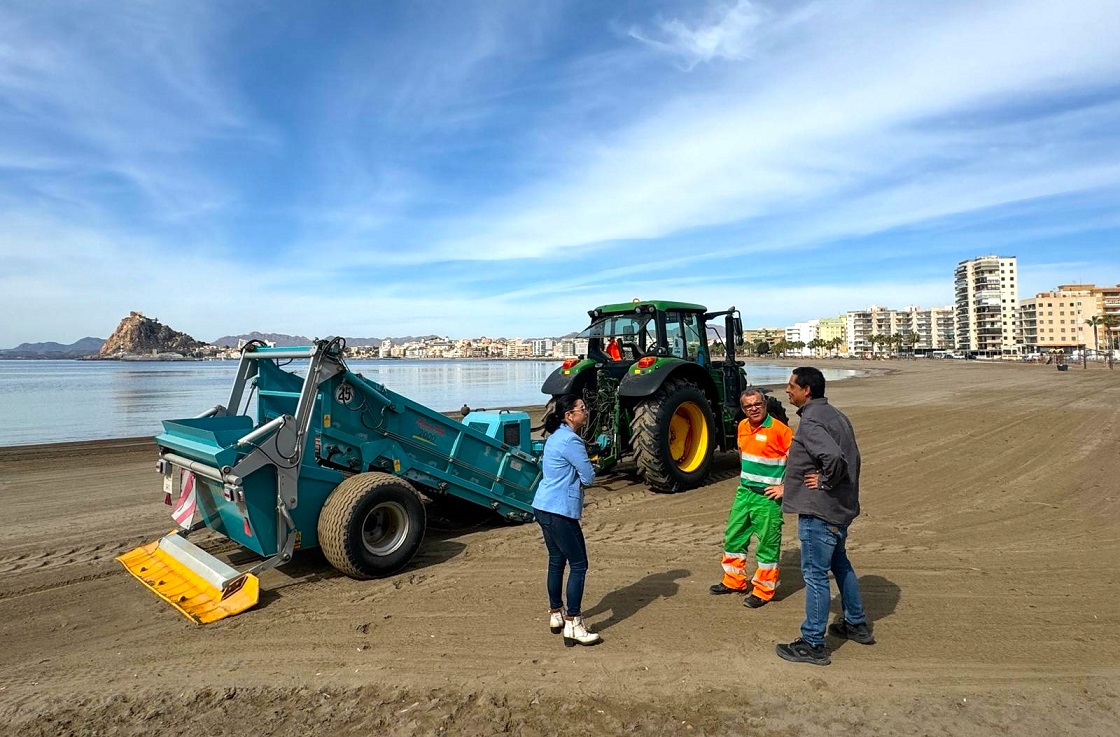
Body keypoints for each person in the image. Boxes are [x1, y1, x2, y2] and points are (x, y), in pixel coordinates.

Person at [775, 367, 875, 666]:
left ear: (807, 390)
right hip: (838, 507)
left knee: (815, 575)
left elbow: (833, 457)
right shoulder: (835, 415)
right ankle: (855, 623)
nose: (787, 390)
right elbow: (851, 457)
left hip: (821, 510)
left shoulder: (813, 421)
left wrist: (825, 481)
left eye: (792, 386)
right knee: (840, 564)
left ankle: (813, 643)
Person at [709, 389, 792, 608]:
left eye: (757, 404)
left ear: (765, 404)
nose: (753, 408)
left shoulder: (780, 431)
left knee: (767, 543)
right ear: (743, 409)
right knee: (734, 536)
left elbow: (799, 463)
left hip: (767, 497)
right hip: (744, 492)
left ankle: (764, 590)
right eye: (748, 406)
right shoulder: (743, 427)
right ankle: (733, 581)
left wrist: (785, 487)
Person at [531, 394, 602, 647]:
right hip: (560, 510)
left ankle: (555, 614)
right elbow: (589, 477)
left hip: (543, 506)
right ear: (569, 415)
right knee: (579, 564)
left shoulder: (555, 437)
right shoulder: (571, 441)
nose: (586, 412)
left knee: (557, 561)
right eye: (582, 409)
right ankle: (574, 622)